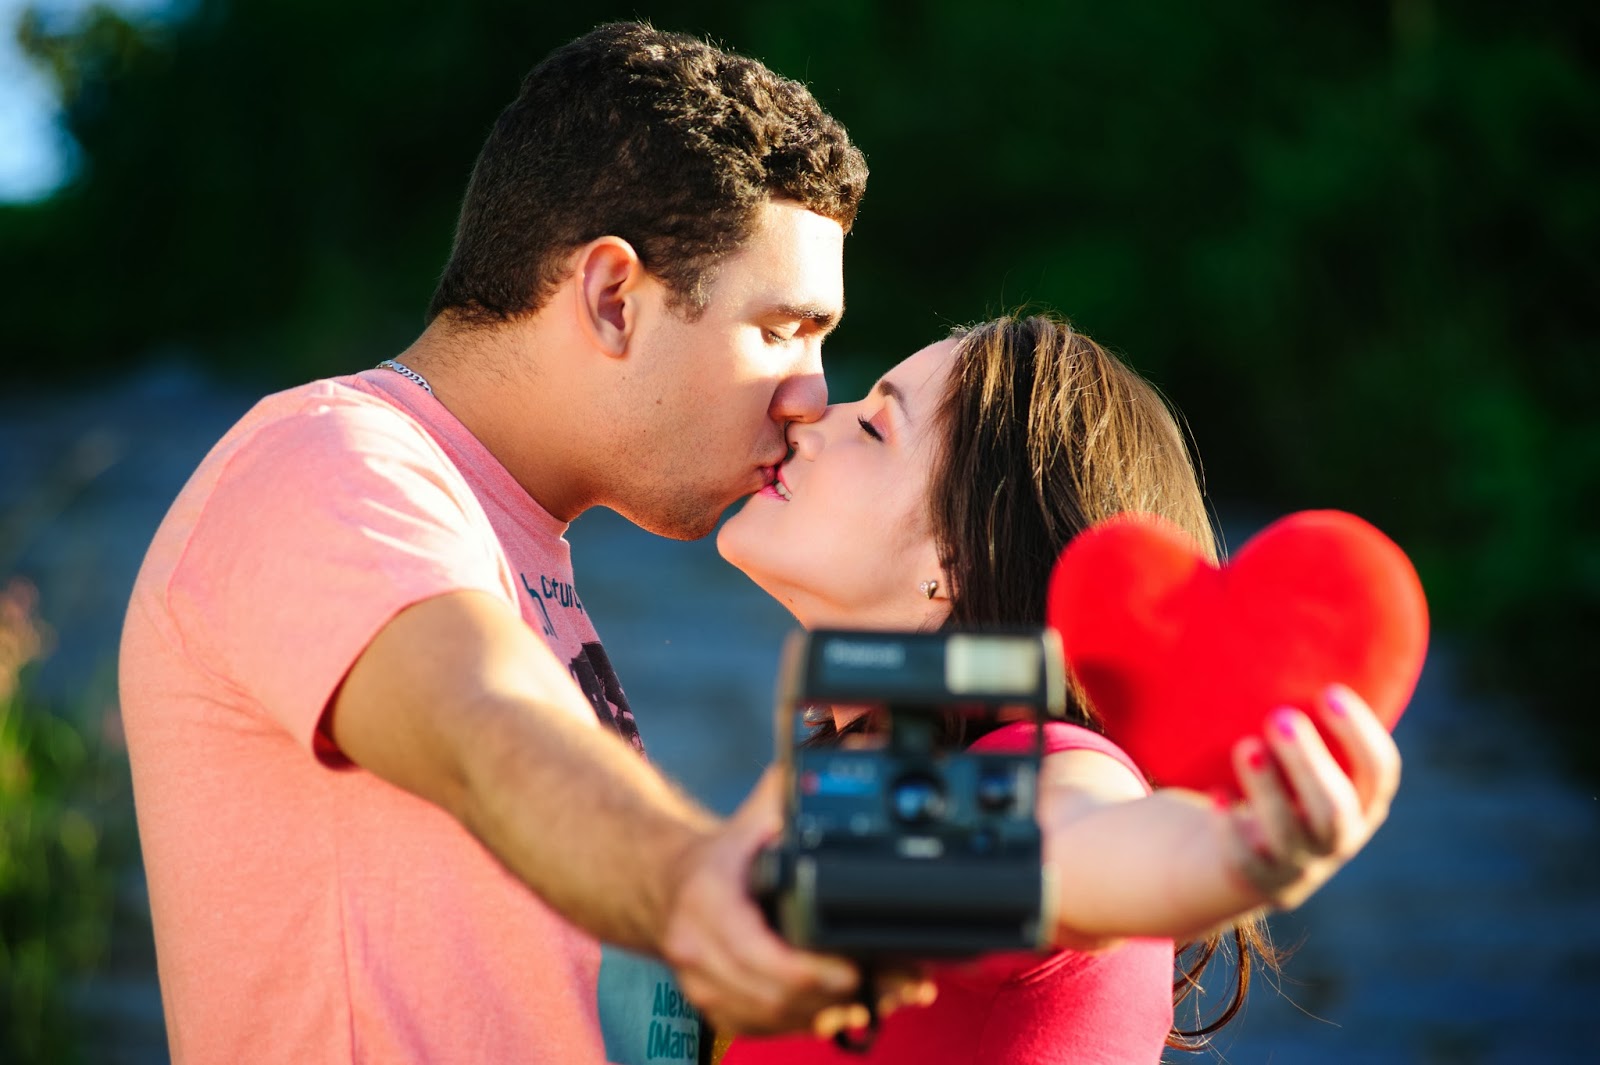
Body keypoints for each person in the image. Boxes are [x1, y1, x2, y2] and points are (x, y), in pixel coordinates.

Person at [119, 21, 883, 1064]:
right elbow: (485, 729)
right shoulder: (333, 464)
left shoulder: (504, 536)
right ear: (614, 298)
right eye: (783, 329)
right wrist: (683, 882)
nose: (811, 396)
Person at [713, 313, 1403, 1063]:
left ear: (958, 559)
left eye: (876, 427)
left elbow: (1075, 842)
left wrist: (1227, 858)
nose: (812, 418)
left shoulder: (1043, 762)